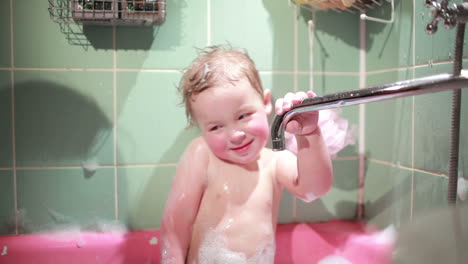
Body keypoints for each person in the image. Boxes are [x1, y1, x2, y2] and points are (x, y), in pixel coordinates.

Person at [160, 45, 333, 264]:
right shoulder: (201, 154)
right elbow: (176, 226)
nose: (235, 135)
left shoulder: (274, 161)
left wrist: (309, 133)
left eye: (244, 115)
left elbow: (314, 189)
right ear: (201, 128)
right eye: (215, 127)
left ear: (265, 102)